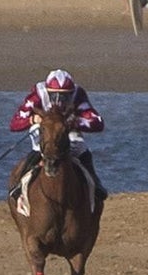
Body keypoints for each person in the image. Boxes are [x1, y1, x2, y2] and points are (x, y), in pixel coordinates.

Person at [8, 68, 107, 199]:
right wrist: (33, 119)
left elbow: (97, 122)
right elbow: (15, 123)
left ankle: (94, 182)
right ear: (48, 92)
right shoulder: (38, 94)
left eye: (64, 96)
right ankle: (20, 184)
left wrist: (76, 123)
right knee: (40, 146)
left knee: (81, 147)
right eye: (54, 95)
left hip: (66, 130)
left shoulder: (78, 94)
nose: (59, 101)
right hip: (44, 129)